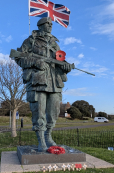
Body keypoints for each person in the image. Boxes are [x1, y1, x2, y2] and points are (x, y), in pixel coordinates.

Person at [16, 17, 72, 151]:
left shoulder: (54, 43)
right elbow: (19, 57)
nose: (50, 26)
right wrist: (35, 62)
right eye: (47, 24)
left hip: (54, 82)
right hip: (38, 81)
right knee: (39, 111)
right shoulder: (31, 41)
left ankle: (48, 137)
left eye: (51, 24)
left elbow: (60, 60)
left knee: (54, 111)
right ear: (41, 25)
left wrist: (66, 66)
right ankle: (41, 140)